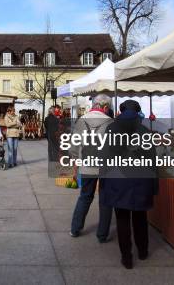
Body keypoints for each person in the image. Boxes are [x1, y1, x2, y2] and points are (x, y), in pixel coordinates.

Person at [100, 100, 158, 269]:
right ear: (138, 112)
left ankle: (126, 257)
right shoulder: (145, 130)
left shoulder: (111, 129)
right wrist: (154, 185)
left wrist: (103, 182)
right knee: (140, 216)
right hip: (141, 179)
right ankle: (143, 251)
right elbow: (152, 161)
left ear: (121, 111)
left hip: (118, 180)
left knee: (122, 218)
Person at [69, 94, 114, 242]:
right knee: (106, 200)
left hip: (87, 165)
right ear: (105, 107)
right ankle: (102, 235)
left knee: (85, 196)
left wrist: (75, 166)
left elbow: (74, 147)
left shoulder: (81, 121)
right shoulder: (111, 122)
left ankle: (75, 229)